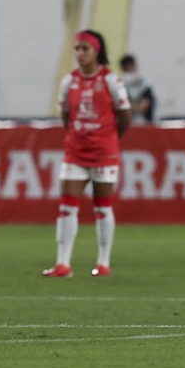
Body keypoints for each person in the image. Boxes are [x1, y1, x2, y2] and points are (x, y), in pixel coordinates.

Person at [42, 30, 132, 278]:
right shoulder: (68, 82)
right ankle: (63, 264)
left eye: (85, 49)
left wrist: (111, 139)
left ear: (96, 51)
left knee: (102, 207)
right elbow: (66, 116)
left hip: (104, 153)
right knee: (67, 207)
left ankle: (103, 262)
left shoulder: (111, 81)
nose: (80, 54)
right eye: (77, 49)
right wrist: (77, 135)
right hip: (76, 152)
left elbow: (125, 115)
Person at [119, 54, 157, 124]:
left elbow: (141, 107)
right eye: (126, 70)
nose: (129, 72)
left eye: (130, 68)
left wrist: (128, 107)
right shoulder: (121, 86)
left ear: (135, 66)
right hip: (129, 126)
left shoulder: (146, 85)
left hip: (146, 125)